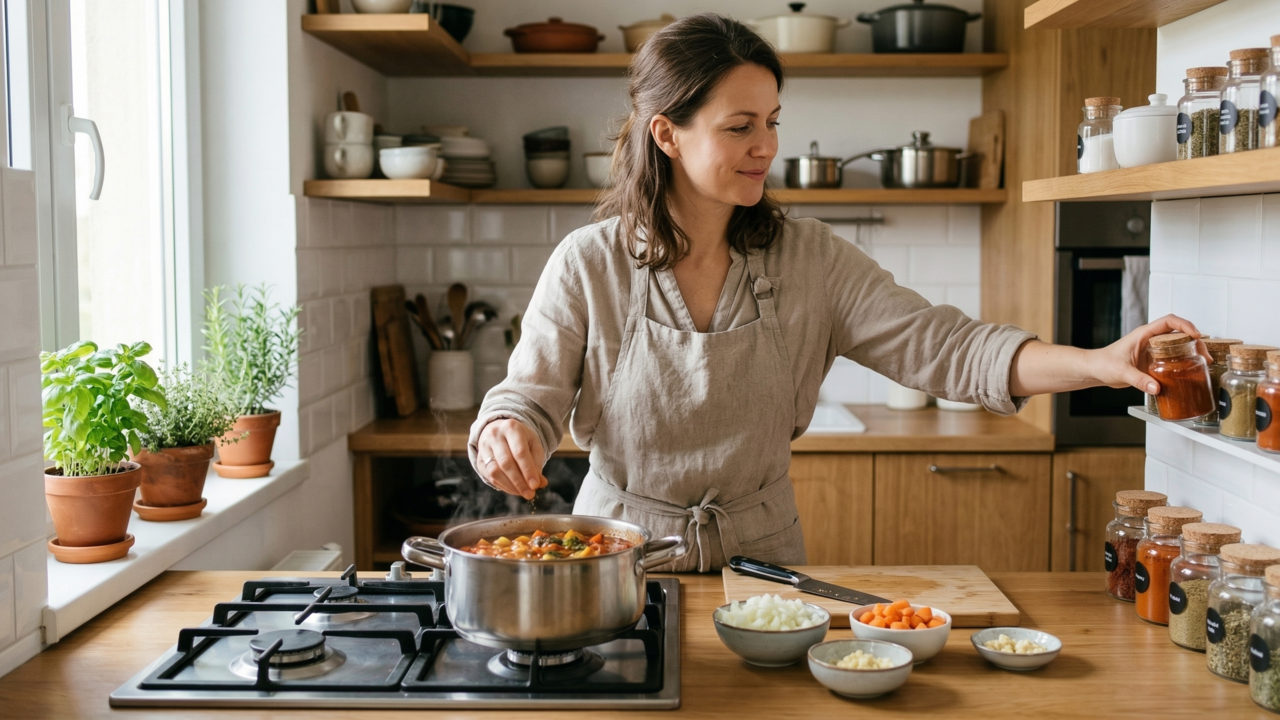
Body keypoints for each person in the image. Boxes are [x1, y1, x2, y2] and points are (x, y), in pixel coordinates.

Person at [467, 14, 1200, 572]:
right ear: (667, 134)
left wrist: (1098, 362)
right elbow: (526, 399)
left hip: (764, 565)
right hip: (618, 564)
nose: (766, 146)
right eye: (740, 127)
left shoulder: (809, 258)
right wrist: (508, 433)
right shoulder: (588, 263)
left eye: (772, 122)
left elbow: (946, 348)